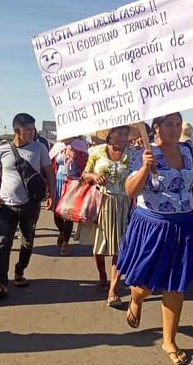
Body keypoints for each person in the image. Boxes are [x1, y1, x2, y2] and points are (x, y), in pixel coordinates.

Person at [118, 112, 193, 365]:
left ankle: (169, 340)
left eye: (178, 124)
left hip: (184, 225)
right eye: (169, 125)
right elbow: (130, 190)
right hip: (154, 225)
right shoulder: (142, 154)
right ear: (156, 128)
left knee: (175, 285)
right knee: (146, 285)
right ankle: (137, 299)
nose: (175, 129)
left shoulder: (189, 150)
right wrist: (144, 169)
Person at [0, 113, 55, 297]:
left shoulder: (39, 149)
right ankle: (1, 282)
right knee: (3, 243)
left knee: (27, 242)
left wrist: (52, 196)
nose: (33, 133)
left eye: (34, 129)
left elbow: (49, 173)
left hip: (30, 205)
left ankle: (19, 271)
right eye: (29, 130)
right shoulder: (1, 150)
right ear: (17, 130)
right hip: (6, 206)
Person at [78, 125, 137, 306]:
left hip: (124, 204)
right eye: (119, 132)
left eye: (125, 133)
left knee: (119, 247)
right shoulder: (96, 152)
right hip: (100, 202)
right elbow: (84, 175)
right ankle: (103, 275)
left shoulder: (133, 154)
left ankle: (113, 290)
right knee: (99, 246)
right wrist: (94, 176)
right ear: (110, 134)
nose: (122, 136)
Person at [50, 136, 88, 255]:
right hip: (58, 182)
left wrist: (74, 156)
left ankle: (65, 242)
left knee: (67, 214)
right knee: (57, 214)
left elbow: (85, 164)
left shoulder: (80, 145)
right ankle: (62, 232)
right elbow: (51, 164)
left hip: (72, 183)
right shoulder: (58, 146)